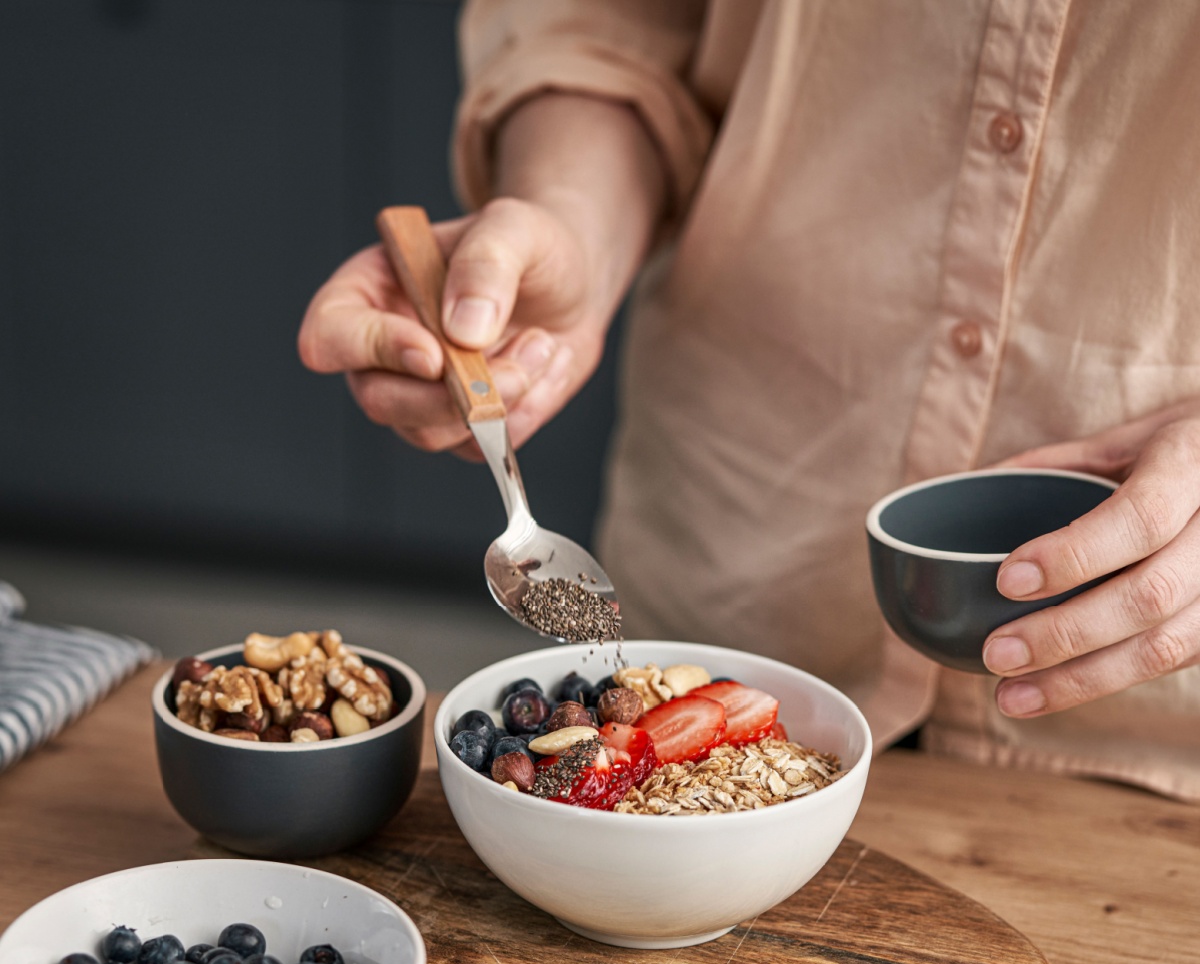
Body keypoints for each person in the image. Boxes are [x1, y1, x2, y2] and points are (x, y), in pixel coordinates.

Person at [298, 2, 1200, 802]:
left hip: (1146, 750)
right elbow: (612, 27)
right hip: (729, 573)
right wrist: (574, 219)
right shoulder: (648, 724)